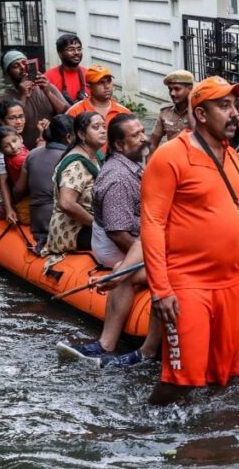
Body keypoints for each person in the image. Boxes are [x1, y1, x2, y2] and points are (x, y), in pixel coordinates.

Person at [141, 76, 239, 405]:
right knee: (181, 381)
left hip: (230, 283)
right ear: (201, 115)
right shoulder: (169, 157)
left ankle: (213, 448)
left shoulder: (232, 157)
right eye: (224, 106)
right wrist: (161, 289)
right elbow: (152, 223)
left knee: (223, 378)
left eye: (234, 105)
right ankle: (147, 437)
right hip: (187, 282)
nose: (233, 113)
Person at [59, 113, 163, 368]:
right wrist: (151, 260)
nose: (145, 138)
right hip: (121, 245)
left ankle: (106, 344)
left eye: (142, 132)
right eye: (136, 135)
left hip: (137, 243)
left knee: (122, 272)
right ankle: (116, 346)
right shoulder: (117, 177)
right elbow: (119, 233)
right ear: (118, 145)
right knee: (125, 269)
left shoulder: (133, 164)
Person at [43, 111, 108, 260]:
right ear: (81, 134)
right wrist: (96, 225)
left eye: (104, 126)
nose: (103, 130)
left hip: (92, 225)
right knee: (121, 237)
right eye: (96, 127)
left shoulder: (96, 156)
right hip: (73, 230)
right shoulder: (75, 164)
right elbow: (66, 203)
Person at [13, 114, 74, 250]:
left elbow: (18, 190)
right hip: (61, 225)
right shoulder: (72, 159)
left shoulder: (32, 154)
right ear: (69, 137)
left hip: (38, 224)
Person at [0, 50, 69, 149]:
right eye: (16, 66)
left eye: (24, 63)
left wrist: (47, 92)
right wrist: (23, 95)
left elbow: (68, 113)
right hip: (24, 152)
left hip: (55, 147)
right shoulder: (6, 98)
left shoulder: (47, 86)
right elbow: (6, 131)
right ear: (7, 73)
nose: (22, 68)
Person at [65, 65, 131, 155]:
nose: (106, 86)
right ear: (89, 87)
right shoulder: (75, 111)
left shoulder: (124, 113)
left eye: (109, 81)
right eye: (100, 82)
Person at [0, 99, 29, 220]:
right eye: (12, 118)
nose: (18, 122)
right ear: (1, 121)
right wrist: (9, 210)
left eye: (21, 117)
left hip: (17, 189)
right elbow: (2, 182)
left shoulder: (16, 139)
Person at [0, 126, 30, 224]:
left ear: (20, 138)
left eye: (14, 141)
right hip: (25, 195)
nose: (13, 146)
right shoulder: (18, 160)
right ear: (1, 150)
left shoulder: (20, 150)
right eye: (6, 146)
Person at [149, 70, 193, 152]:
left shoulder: (199, 112)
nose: (172, 93)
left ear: (190, 89)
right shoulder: (165, 112)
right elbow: (153, 143)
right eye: (170, 89)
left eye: (177, 89)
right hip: (172, 159)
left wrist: (191, 101)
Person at [44, 33, 88, 105]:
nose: (76, 52)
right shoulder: (48, 78)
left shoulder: (89, 75)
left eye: (79, 49)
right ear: (60, 54)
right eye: (71, 49)